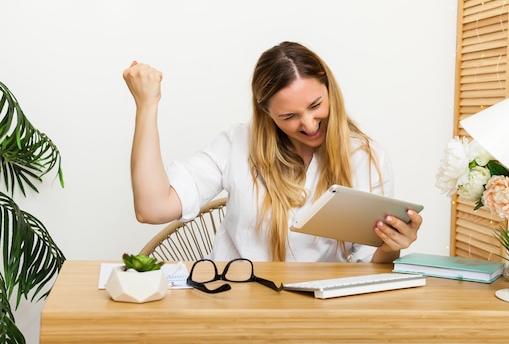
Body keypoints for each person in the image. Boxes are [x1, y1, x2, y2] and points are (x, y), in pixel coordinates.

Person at [123, 41, 422, 263]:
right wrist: (147, 105)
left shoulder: (367, 158)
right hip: (236, 307)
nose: (309, 124)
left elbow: (369, 264)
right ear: (266, 113)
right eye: (289, 117)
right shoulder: (236, 143)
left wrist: (391, 246)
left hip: (320, 316)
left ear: (330, 90)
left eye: (316, 105)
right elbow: (152, 208)